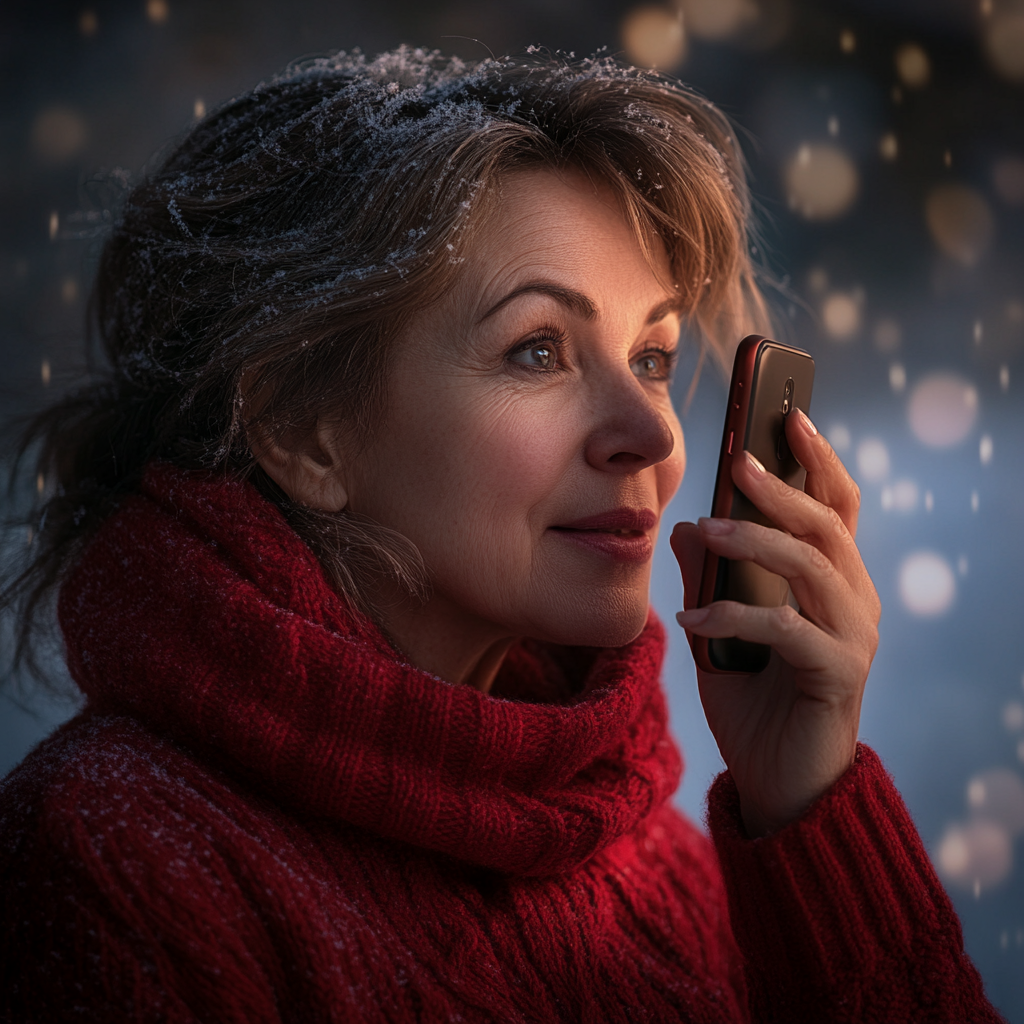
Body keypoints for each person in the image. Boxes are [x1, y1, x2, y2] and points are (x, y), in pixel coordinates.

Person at [0, 48, 1004, 1023]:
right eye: (537, 350)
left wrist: (808, 807)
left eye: (651, 356)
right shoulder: (105, 870)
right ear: (305, 433)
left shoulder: (649, 862)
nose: (652, 433)